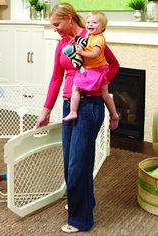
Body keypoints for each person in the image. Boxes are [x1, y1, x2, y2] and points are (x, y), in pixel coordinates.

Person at [35, 3, 119, 233]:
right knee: (71, 160)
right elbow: (56, 78)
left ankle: (81, 220)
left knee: (78, 163)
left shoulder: (92, 37)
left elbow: (113, 64)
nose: (55, 29)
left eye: (57, 24)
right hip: (67, 105)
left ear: (70, 18)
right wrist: (45, 110)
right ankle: (84, 201)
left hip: (89, 106)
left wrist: (99, 83)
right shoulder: (62, 44)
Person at [63, 11, 119, 129]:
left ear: (103, 27)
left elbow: (95, 53)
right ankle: (114, 114)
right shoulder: (90, 35)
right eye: (88, 22)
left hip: (95, 70)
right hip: (98, 68)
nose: (90, 24)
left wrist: (82, 52)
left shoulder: (99, 39)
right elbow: (84, 42)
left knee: (76, 88)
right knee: (104, 93)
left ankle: (73, 112)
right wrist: (76, 40)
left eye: (94, 22)